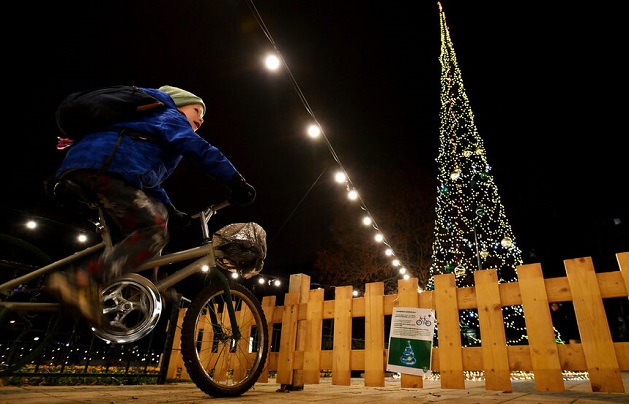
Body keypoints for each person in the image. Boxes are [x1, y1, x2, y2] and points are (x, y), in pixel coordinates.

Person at [47, 85, 256, 327]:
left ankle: (142, 288)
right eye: (197, 110)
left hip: (97, 169)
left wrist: (173, 210)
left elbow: (147, 183)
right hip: (102, 168)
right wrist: (235, 181)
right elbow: (201, 150)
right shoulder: (168, 115)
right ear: (178, 105)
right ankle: (83, 282)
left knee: (154, 221)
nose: (201, 119)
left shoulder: (149, 130)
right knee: (153, 229)